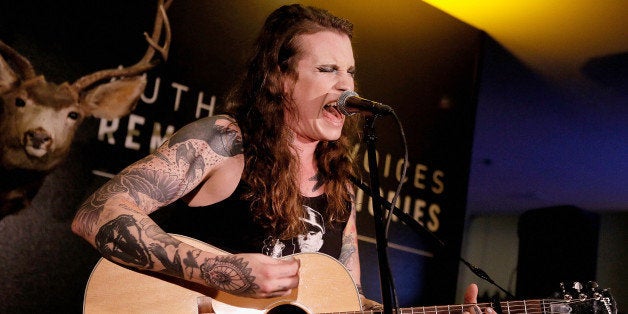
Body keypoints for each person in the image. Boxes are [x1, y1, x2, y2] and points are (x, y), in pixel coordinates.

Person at [72, 3, 490, 312]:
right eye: (328, 70)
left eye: (350, 70)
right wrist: (221, 270)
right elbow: (96, 214)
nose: (346, 86)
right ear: (279, 78)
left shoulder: (340, 183)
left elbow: (345, 303)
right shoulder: (225, 140)